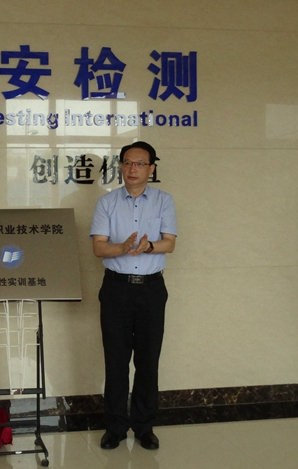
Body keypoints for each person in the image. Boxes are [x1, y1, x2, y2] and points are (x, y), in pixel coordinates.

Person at [89, 141, 177, 451]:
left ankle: (144, 426)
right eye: (127, 162)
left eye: (140, 163)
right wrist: (123, 247)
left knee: (148, 360)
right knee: (116, 361)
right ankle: (114, 427)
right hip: (116, 288)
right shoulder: (107, 202)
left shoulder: (164, 201)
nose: (132, 169)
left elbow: (169, 243)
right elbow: (99, 247)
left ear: (151, 168)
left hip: (151, 289)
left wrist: (149, 246)